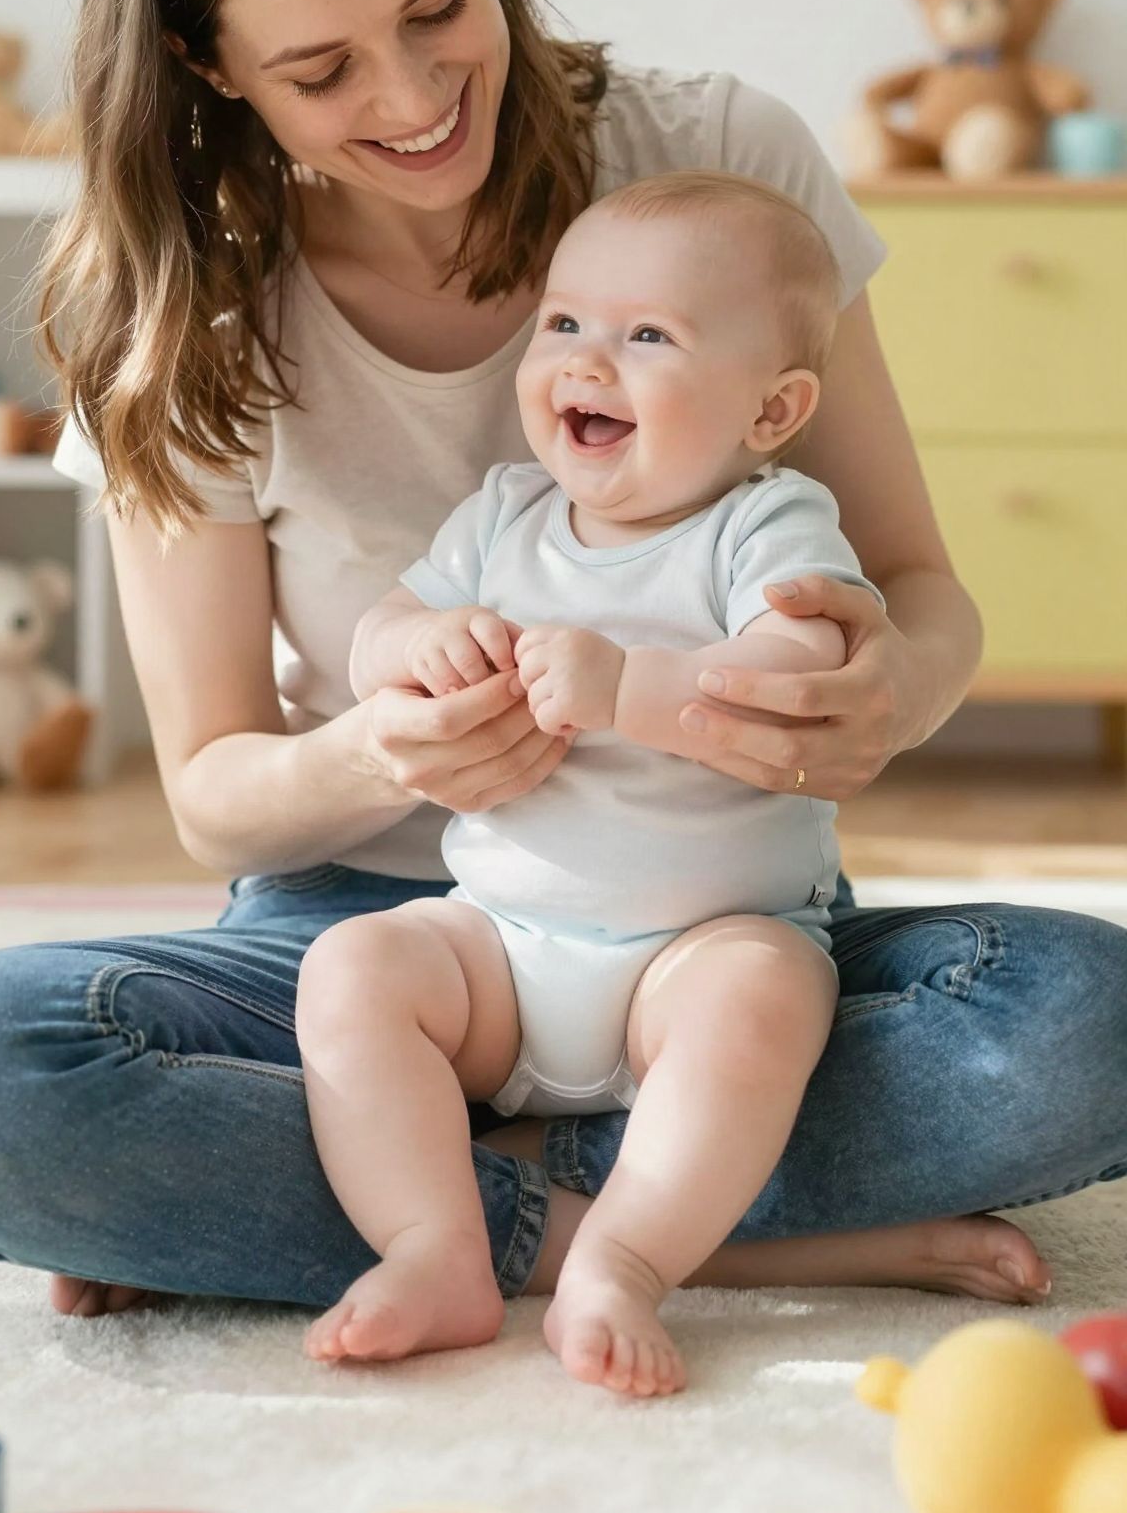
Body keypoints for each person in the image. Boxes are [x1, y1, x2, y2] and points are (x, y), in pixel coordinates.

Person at [0, 0, 1123, 1324]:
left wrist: (878, 692)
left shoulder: (715, 160)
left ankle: (384, 1202)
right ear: (204, 63)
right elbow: (220, 795)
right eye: (320, 69)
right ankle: (677, 1225)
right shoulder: (182, 308)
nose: (416, 90)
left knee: (1079, 1022)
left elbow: (917, 591)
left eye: (441, 4)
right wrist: (391, 740)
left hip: (702, 923)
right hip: (378, 926)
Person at [299, 171, 876, 1396]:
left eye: (648, 335)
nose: (587, 359)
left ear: (772, 408)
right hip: (499, 953)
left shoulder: (763, 525)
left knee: (768, 993)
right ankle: (438, 1243)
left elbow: (802, 658)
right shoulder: (506, 516)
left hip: (693, 955)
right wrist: (415, 650)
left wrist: (632, 690)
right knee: (351, 967)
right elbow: (381, 626)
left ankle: (621, 1254)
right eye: (565, 322)